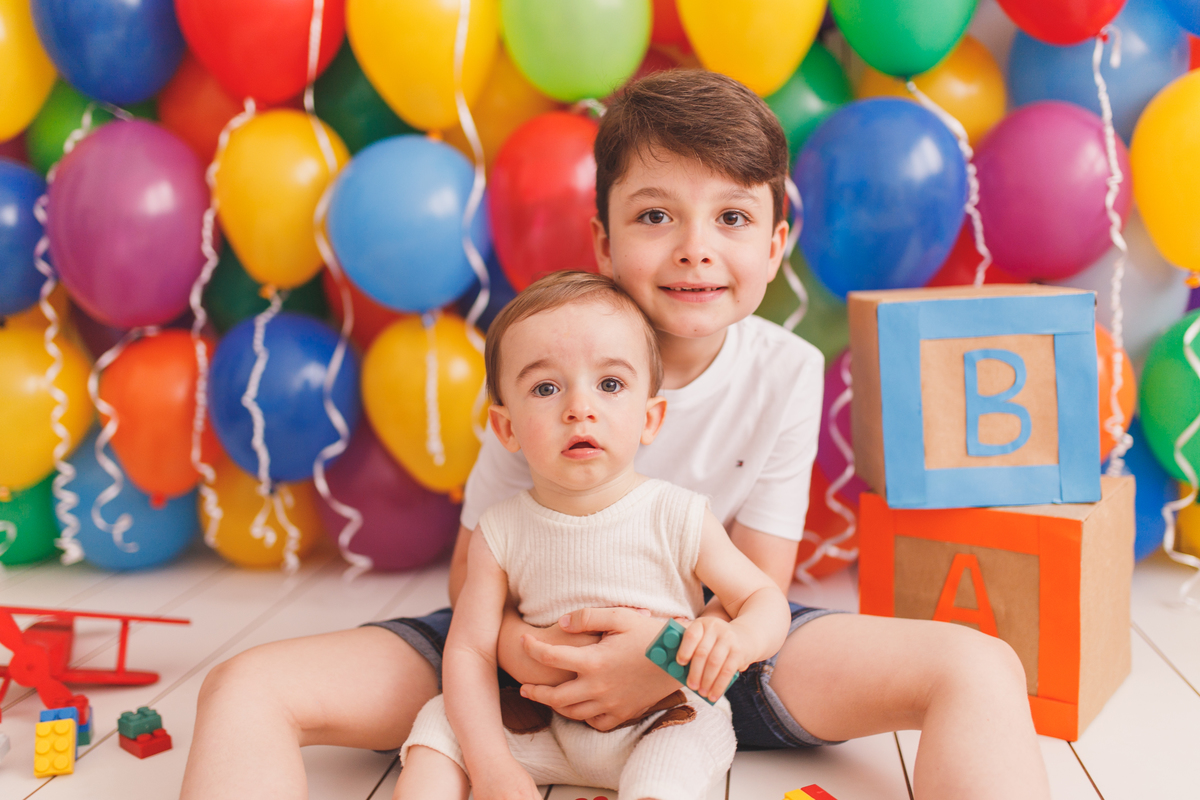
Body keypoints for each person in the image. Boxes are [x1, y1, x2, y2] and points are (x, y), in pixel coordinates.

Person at [182, 70, 1051, 800]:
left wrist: (660, 661)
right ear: (602, 238)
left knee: (977, 665)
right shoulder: (544, 358)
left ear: (779, 242)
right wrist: (526, 657)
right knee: (245, 684)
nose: (696, 250)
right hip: (519, 657)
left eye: (733, 219)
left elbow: (761, 592)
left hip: (712, 664)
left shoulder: (784, 370)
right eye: (654, 216)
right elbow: (476, 578)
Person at [395, 271, 791, 800]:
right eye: (545, 387)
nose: (579, 408)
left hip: (661, 718)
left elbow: (765, 599)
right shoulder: (500, 531)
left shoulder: (678, 514)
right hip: (540, 718)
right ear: (506, 428)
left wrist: (735, 640)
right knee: (437, 724)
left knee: (669, 769)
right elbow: (467, 652)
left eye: (609, 385)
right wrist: (490, 765)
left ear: (650, 418)